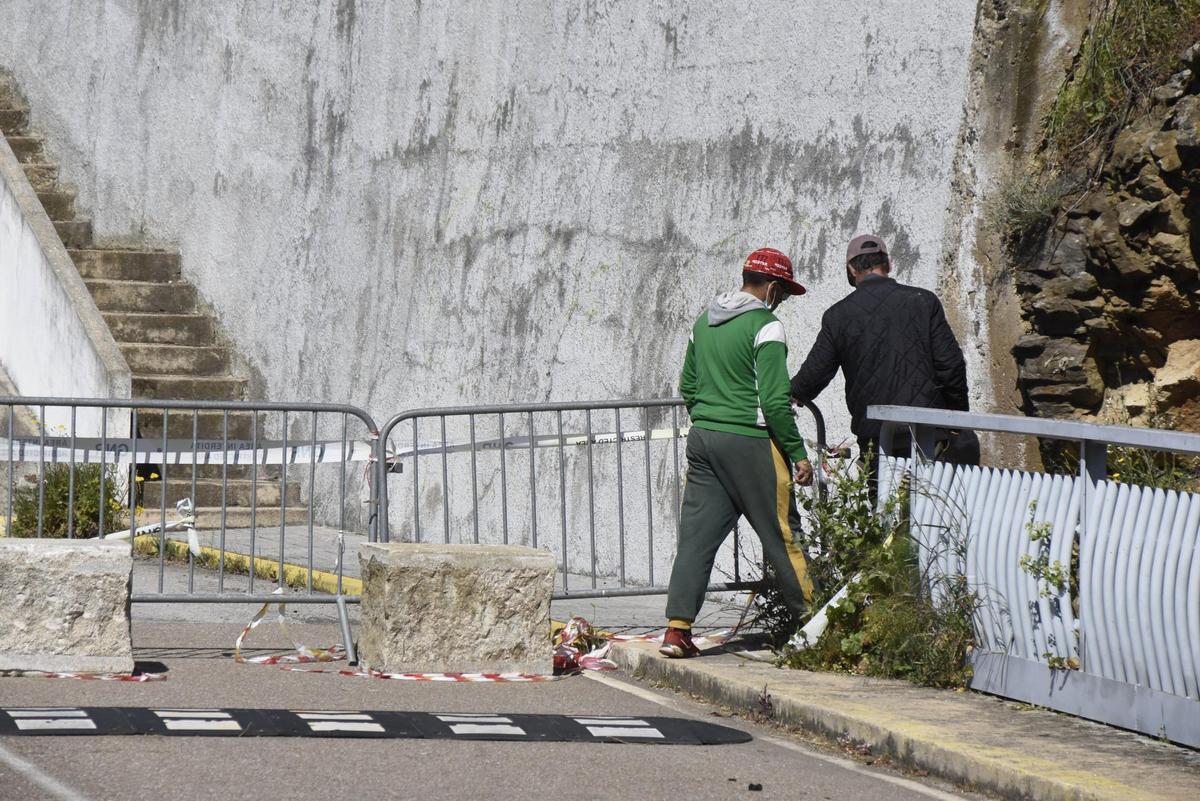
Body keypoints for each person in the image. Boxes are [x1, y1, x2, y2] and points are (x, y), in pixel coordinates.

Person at [662, 247, 815, 658]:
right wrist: (798, 454)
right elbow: (775, 401)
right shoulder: (767, 327)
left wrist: (710, 419)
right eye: (781, 293)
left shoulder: (703, 322)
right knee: (784, 535)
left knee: (696, 538)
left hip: (704, 438)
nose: (780, 301)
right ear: (771, 287)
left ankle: (677, 631)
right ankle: (819, 629)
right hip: (752, 443)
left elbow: (689, 388)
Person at [789, 234, 973, 493]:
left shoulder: (838, 316)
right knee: (933, 511)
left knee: (884, 514)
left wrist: (789, 393)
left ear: (852, 270)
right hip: (929, 434)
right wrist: (957, 419)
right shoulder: (923, 301)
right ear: (888, 264)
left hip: (876, 438)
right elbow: (951, 365)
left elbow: (813, 375)